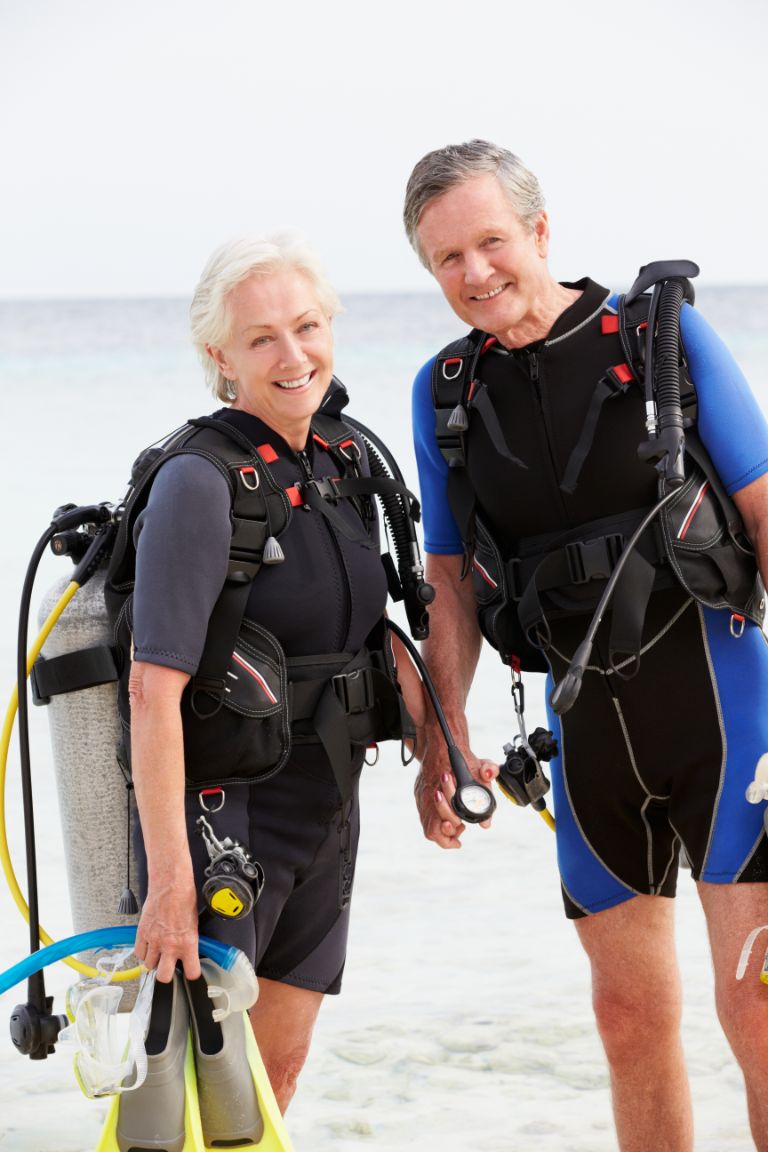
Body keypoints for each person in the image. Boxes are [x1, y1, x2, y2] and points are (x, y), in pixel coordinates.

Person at [403, 139, 768, 1151]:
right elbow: (449, 585)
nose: (475, 274)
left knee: (760, 1009)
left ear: (539, 232)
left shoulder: (658, 338)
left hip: (729, 716)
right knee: (626, 1018)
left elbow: (763, 509)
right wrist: (441, 735)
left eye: (490, 242)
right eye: (446, 260)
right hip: (590, 742)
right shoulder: (446, 395)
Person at [114, 231, 425, 1123]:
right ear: (220, 355)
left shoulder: (338, 464)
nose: (294, 356)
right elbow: (152, 690)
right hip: (223, 822)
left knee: (273, 1089)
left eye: (308, 326)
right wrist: (169, 880)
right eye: (262, 339)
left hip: (326, 813)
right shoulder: (197, 483)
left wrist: (442, 752)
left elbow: (377, 637)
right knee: (195, 1109)